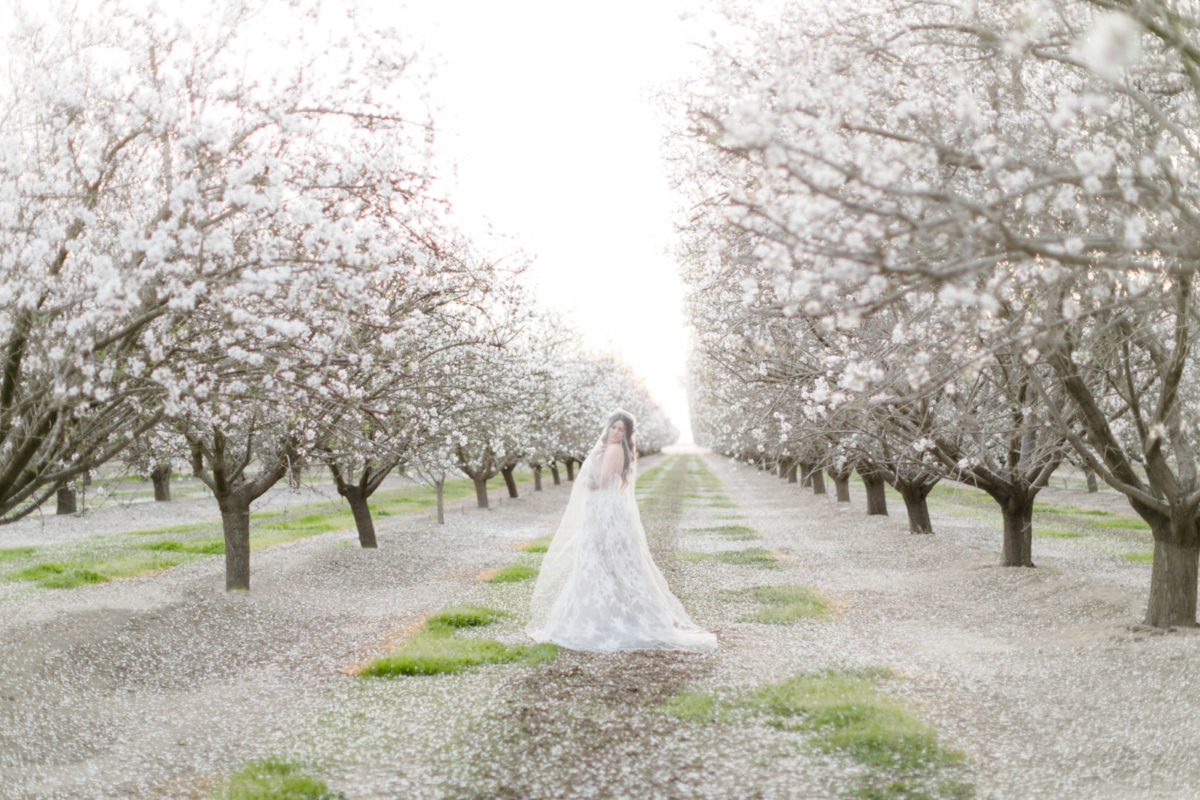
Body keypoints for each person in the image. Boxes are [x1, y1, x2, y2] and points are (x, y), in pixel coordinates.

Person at [526, 410, 717, 653]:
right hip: (602, 508)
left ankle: (613, 618)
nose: (616, 432)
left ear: (626, 434)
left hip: (606, 510)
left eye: (621, 430)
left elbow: (601, 480)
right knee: (603, 562)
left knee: (603, 561)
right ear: (607, 428)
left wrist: (589, 474)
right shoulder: (609, 449)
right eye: (613, 427)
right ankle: (609, 614)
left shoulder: (615, 450)